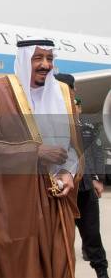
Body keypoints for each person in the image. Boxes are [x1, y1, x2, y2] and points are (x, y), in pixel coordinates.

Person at [0, 38, 82, 278]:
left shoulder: (63, 93)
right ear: (25, 60)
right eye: (38, 58)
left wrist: (69, 172)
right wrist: (35, 152)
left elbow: (75, 146)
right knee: (23, 267)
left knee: (61, 265)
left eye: (49, 58)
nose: (45, 65)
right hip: (18, 202)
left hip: (59, 201)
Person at [55, 73, 109, 278]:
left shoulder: (84, 126)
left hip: (84, 188)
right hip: (57, 190)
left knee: (92, 236)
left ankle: (102, 272)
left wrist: (97, 178)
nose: (69, 92)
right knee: (58, 239)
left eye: (70, 88)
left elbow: (95, 152)